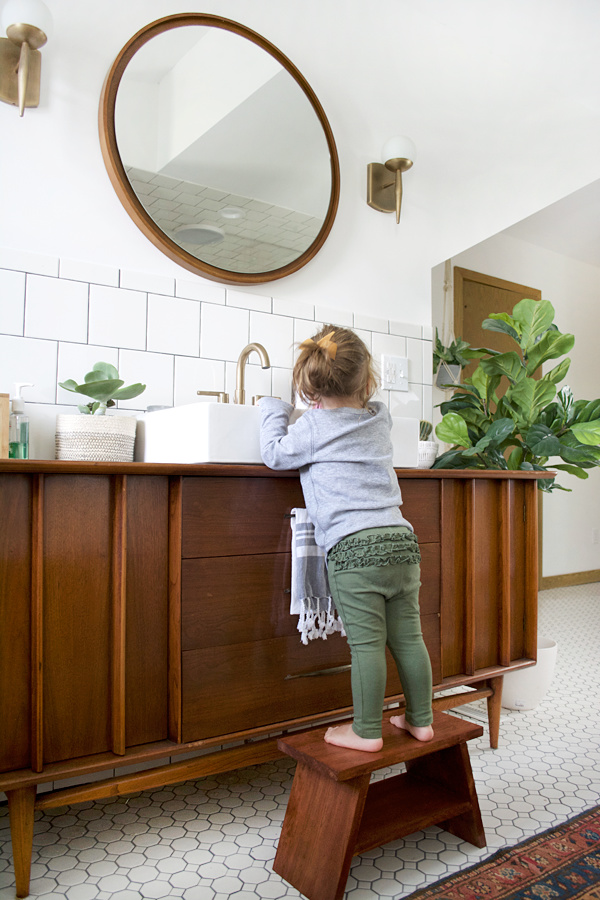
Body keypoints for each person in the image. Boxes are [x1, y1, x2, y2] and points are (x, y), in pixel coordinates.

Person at [259, 325, 434, 752]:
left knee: (366, 645)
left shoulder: (313, 426)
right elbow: (355, 404)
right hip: (401, 541)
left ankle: (366, 732)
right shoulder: (379, 417)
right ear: (368, 380)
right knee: (409, 637)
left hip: (354, 550)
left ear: (309, 386)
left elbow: (274, 454)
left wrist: (272, 409)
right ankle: (422, 721)